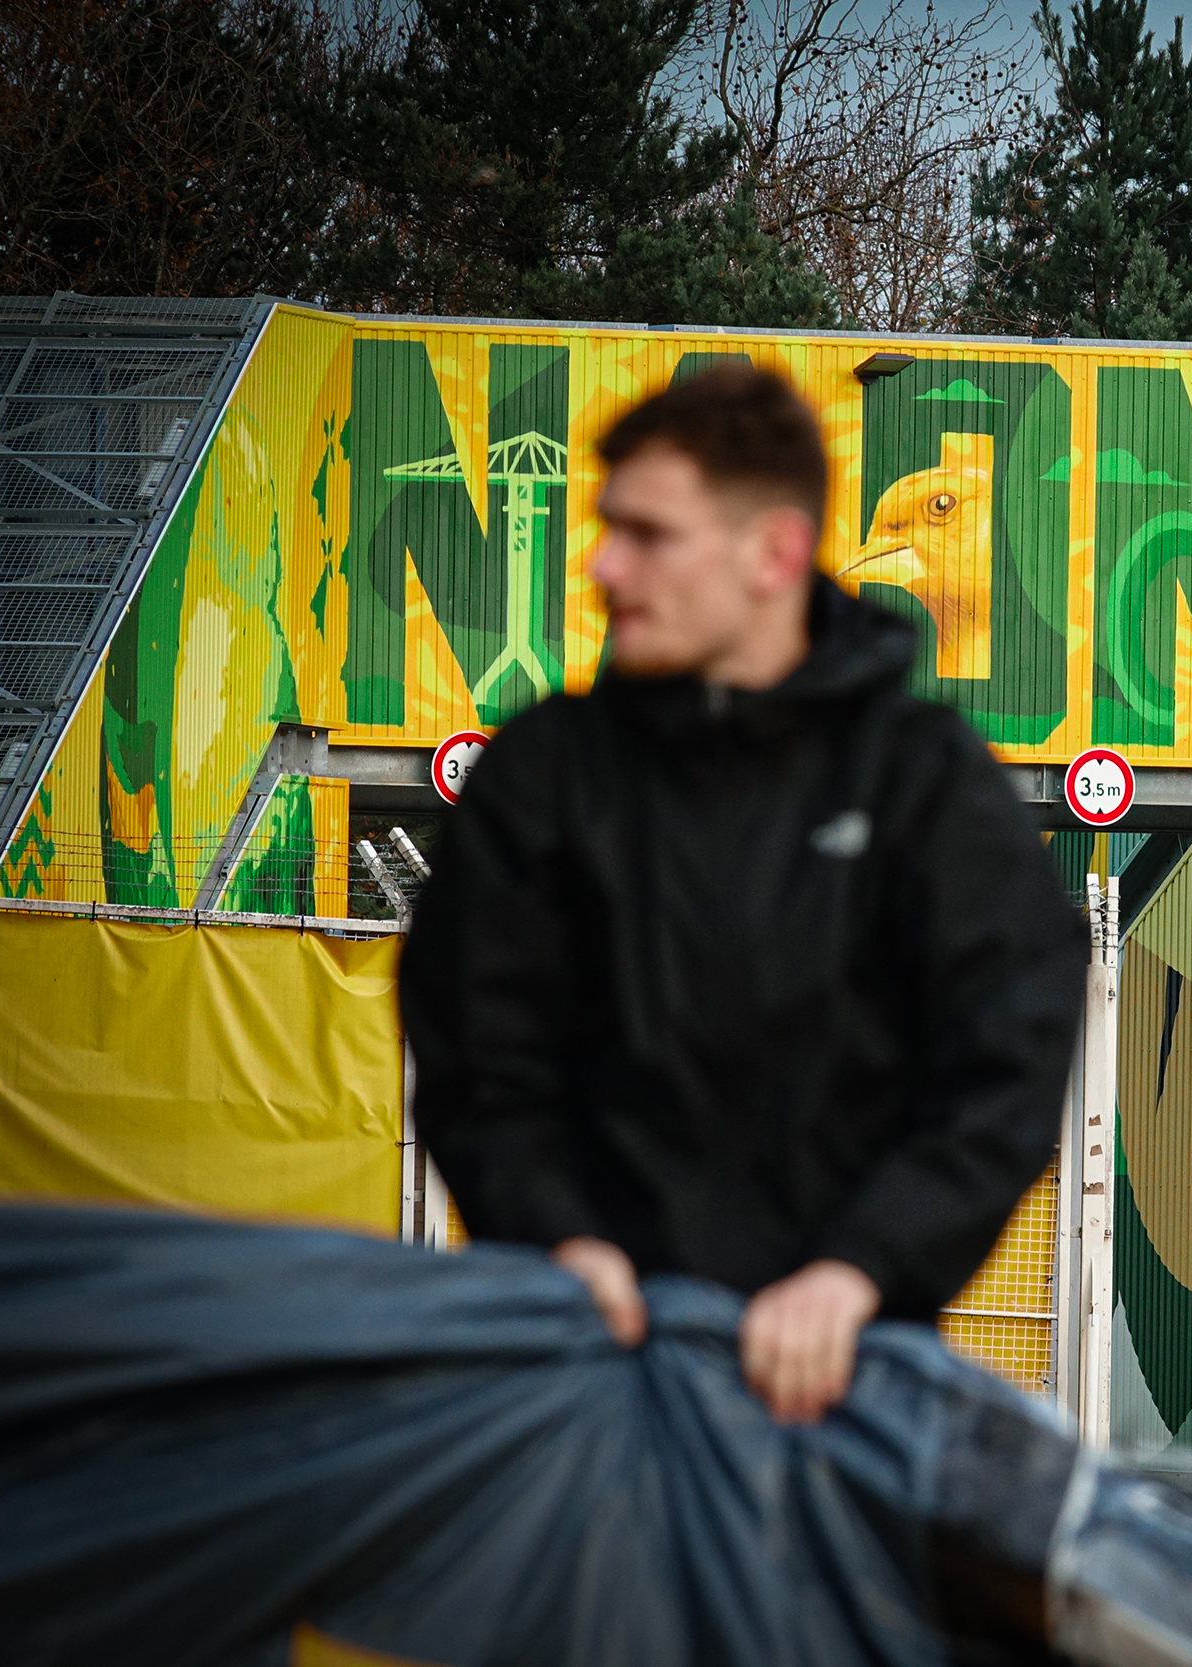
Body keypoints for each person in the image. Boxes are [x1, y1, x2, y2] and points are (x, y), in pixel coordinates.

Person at [401, 365, 1086, 1426]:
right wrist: (559, 1239)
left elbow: (1006, 1061)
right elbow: (475, 1055)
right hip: (584, 1382)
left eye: (648, 534)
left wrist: (860, 1269)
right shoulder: (543, 778)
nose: (603, 565)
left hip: (841, 1395)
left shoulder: (925, 785)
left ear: (771, 552)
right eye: (608, 528)